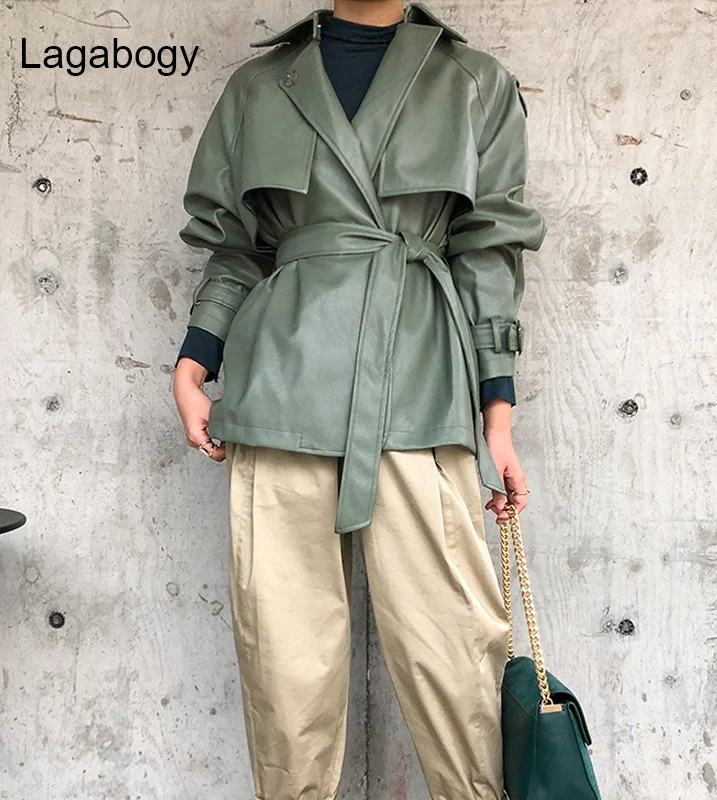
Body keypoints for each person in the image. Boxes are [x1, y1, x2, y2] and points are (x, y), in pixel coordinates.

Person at [172, 2, 547, 799]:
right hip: (281, 386)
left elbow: (491, 253)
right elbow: (235, 248)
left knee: (454, 653)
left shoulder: (473, 81)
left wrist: (498, 415)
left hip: (419, 382)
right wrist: (195, 359)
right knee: (283, 659)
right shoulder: (260, 85)